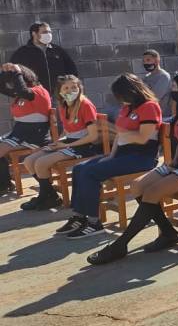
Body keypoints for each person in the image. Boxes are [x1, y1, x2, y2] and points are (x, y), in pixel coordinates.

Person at [85, 71, 178, 264]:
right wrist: (174, 161)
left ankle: (120, 245)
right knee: (137, 186)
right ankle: (168, 232)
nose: (172, 91)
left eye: (175, 87)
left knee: (152, 192)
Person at [57, 74, 163, 239]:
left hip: (141, 157)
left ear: (130, 92)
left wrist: (121, 133)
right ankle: (79, 216)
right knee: (79, 169)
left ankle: (94, 222)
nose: (119, 99)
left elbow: (143, 137)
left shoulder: (149, 106)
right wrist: (111, 156)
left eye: (120, 95)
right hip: (122, 154)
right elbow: (120, 136)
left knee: (91, 173)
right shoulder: (127, 107)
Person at [21, 75, 102, 211]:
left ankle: (45, 196)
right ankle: (50, 195)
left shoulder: (86, 105)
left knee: (41, 163)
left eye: (74, 87)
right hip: (68, 142)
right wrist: (57, 142)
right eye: (66, 88)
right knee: (29, 161)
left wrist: (65, 146)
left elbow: (93, 136)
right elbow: (67, 130)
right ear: (60, 91)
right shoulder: (63, 105)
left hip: (85, 145)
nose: (70, 91)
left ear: (80, 88)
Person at [0, 64, 53, 194]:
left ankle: (47, 191)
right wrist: (3, 73)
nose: (14, 84)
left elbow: (23, 91)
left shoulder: (38, 91)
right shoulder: (22, 93)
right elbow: (2, 87)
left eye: (16, 80)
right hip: (19, 132)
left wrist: (17, 72)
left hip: (34, 135)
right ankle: (5, 184)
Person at [9, 21, 78, 97]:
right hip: (36, 96)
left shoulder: (57, 50)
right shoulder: (22, 52)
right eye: (45, 32)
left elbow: (72, 70)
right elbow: (11, 74)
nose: (48, 34)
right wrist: (22, 92)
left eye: (50, 32)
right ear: (34, 34)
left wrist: (71, 88)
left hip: (59, 95)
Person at [141, 50, 172, 114]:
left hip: (162, 115)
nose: (145, 63)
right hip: (149, 113)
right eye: (143, 61)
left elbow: (154, 97)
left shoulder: (164, 76)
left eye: (148, 60)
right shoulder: (147, 77)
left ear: (157, 61)